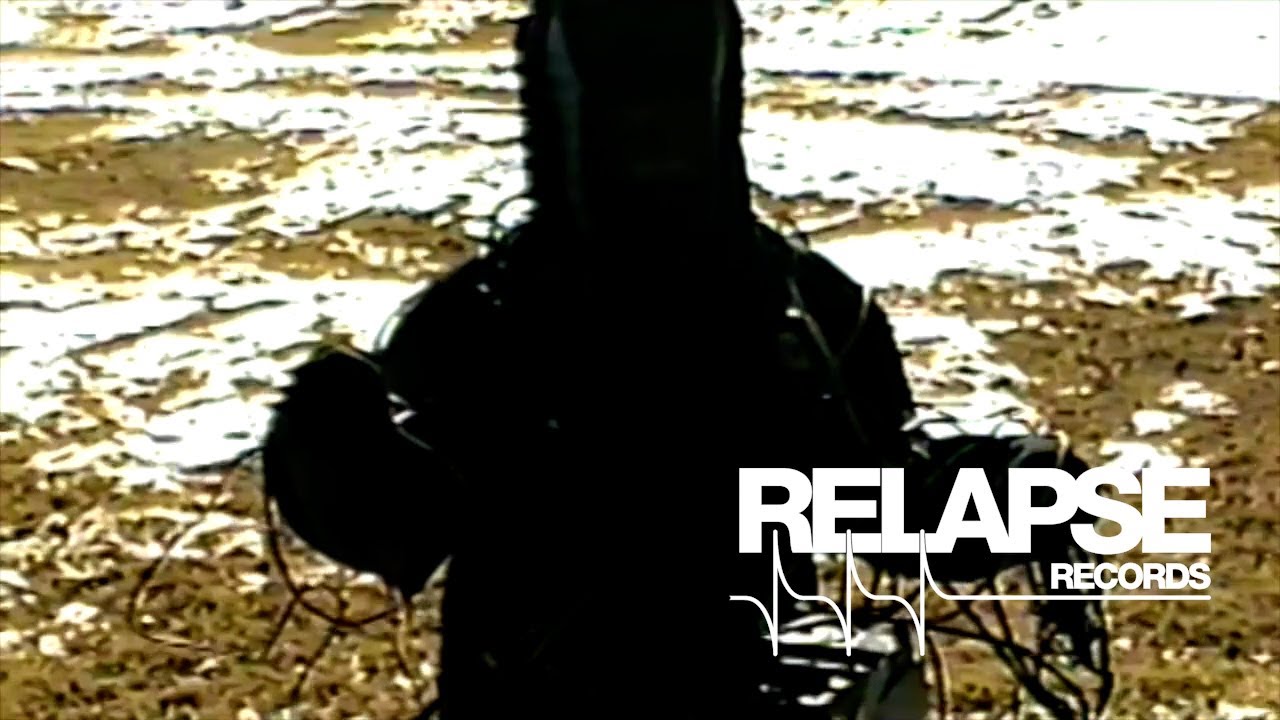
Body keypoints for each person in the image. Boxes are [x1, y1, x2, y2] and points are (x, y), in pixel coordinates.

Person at [262, 1, 1109, 718]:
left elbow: (875, 506)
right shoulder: (475, 326)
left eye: (668, 98)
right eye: (619, 100)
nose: (648, 134)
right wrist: (329, 453)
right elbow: (399, 527)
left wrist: (1010, 490)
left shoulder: (804, 313)